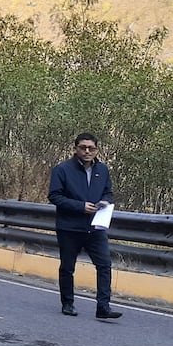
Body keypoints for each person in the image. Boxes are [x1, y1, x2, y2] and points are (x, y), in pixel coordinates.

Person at [48, 132, 121, 319]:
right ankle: (68, 303)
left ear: (96, 150)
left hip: (95, 227)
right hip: (69, 227)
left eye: (91, 148)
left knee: (104, 265)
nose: (87, 151)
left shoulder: (102, 170)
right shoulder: (62, 170)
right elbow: (54, 196)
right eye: (83, 147)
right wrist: (80, 206)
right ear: (75, 149)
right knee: (67, 267)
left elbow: (108, 193)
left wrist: (105, 202)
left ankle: (103, 307)